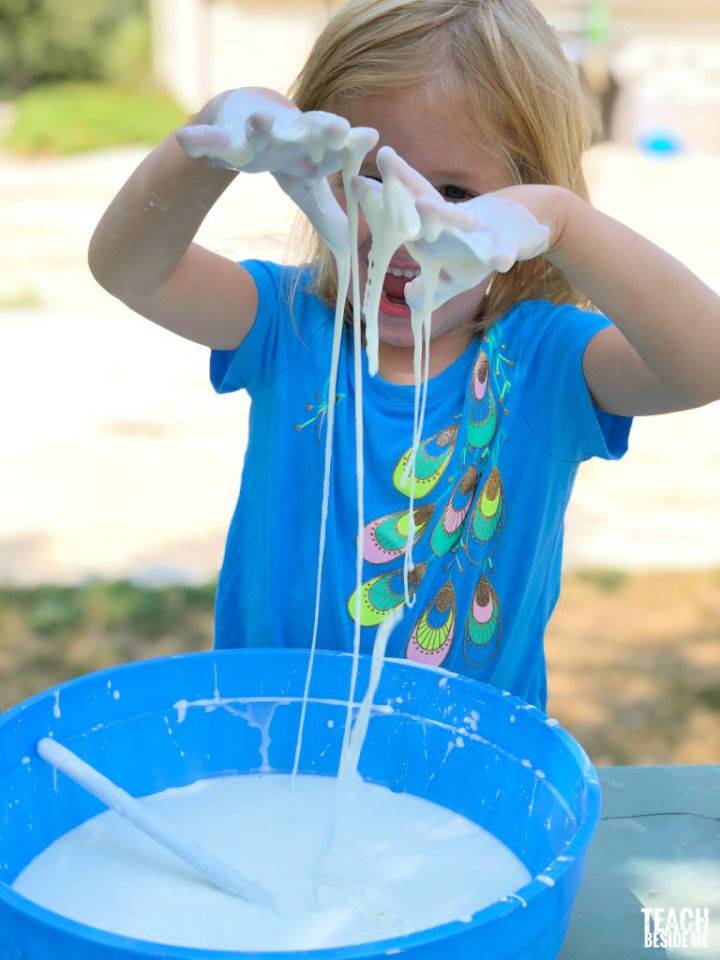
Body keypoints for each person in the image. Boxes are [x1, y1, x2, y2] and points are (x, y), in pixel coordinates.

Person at [88, 0, 720, 711]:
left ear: (520, 206)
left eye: (453, 193)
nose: (405, 225)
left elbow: (703, 361)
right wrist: (208, 140)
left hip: (465, 776)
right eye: (369, 180)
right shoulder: (286, 324)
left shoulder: (546, 363)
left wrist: (566, 221)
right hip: (272, 755)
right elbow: (129, 269)